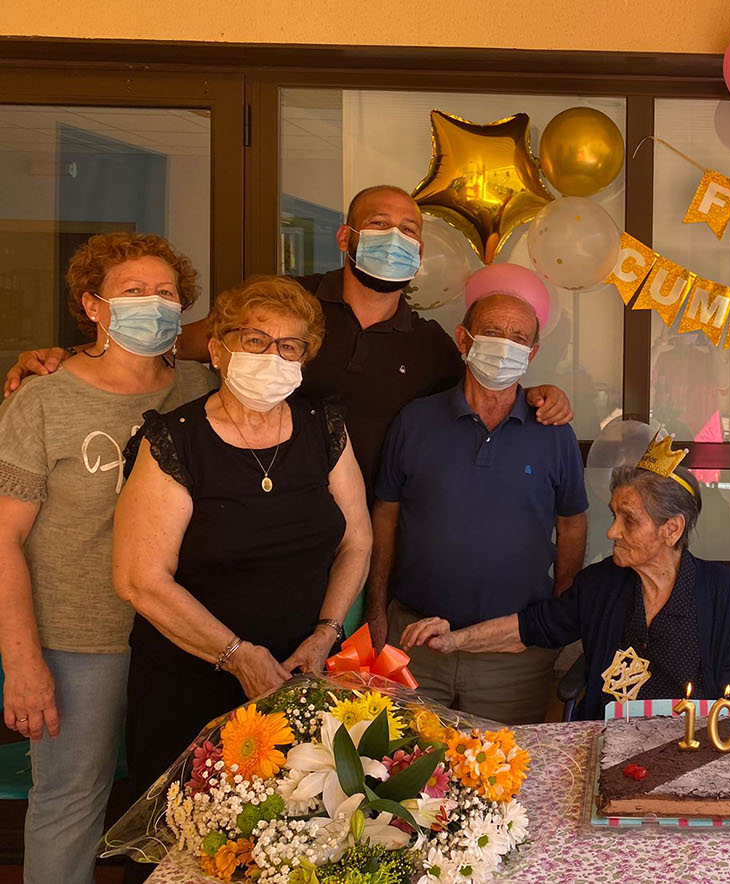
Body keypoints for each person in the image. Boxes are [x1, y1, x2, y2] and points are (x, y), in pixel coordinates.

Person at [4, 185, 575, 501]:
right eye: (379, 225)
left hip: (370, 527)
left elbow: (483, 393)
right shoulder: (282, 306)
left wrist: (540, 393)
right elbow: (169, 341)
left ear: (420, 255)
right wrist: (71, 353)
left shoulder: (430, 346)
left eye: (409, 232)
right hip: (263, 512)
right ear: (346, 238)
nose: (395, 240)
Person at [0, 233, 214, 884]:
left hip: (184, 637)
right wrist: (21, 658)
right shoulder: (44, 397)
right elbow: (4, 537)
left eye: (166, 294)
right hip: (78, 640)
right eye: (133, 292)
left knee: (193, 808)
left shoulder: (204, 387)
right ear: (92, 306)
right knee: (69, 802)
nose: (153, 304)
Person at [112, 276, 372, 792]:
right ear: (216, 349)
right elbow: (139, 580)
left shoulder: (326, 429)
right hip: (189, 685)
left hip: (301, 677)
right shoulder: (173, 440)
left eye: (289, 345)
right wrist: (237, 656)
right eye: (255, 340)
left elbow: (357, 541)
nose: (272, 356)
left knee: (293, 845)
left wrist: (326, 633)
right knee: (183, 849)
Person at [401, 433, 730, 720]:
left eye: (629, 520)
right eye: (613, 516)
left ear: (671, 529)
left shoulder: (722, 594)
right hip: (612, 746)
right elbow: (530, 628)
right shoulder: (601, 584)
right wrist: (454, 639)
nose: (611, 533)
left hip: (693, 746)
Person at [370, 292, 588, 724]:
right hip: (414, 645)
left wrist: (560, 614)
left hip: (511, 656)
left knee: (504, 782)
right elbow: (386, 517)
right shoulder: (415, 421)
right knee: (399, 777)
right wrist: (377, 609)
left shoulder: (553, 432)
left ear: (533, 353)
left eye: (518, 337)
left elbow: (572, 525)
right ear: (464, 340)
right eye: (492, 332)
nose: (505, 345)